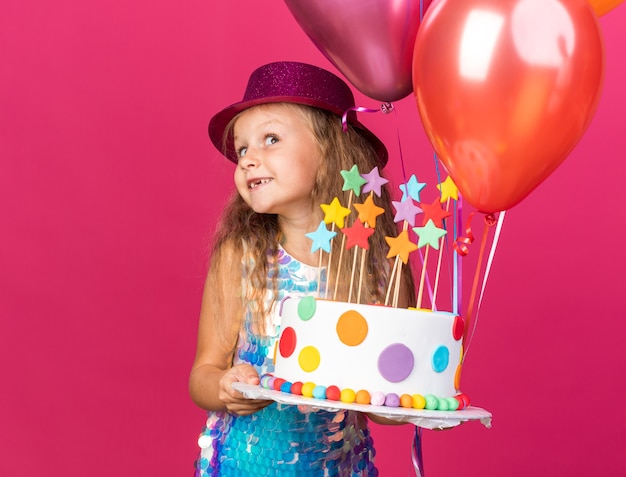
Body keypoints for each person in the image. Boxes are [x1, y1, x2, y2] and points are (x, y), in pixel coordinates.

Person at [189, 61, 415, 477]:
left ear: (330, 151)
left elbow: (386, 407)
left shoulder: (381, 268)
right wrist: (224, 387)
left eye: (270, 139)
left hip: (341, 468)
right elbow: (203, 374)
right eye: (242, 149)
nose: (247, 160)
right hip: (245, 466)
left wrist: (412, 402)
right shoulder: (243, 256)